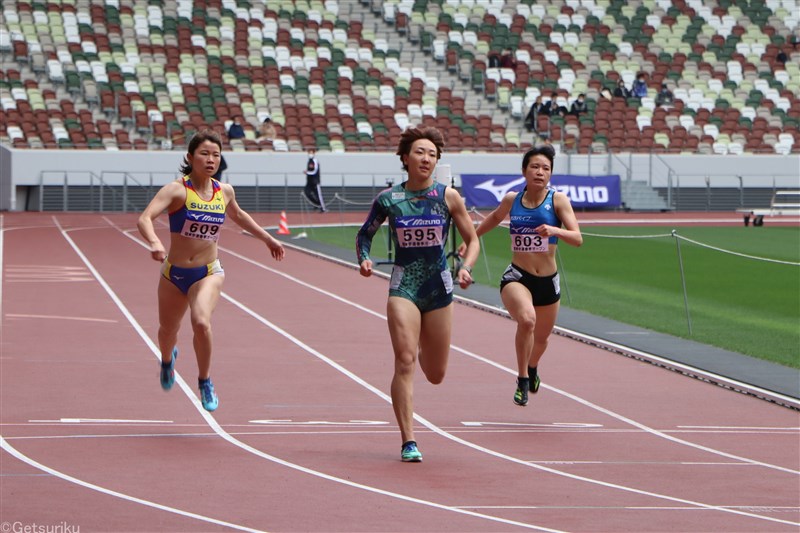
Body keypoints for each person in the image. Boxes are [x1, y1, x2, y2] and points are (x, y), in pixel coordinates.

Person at [137, 130, 285, 412]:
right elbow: (144, 218)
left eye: (216, 155)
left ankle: (204, 380)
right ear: (190, 157)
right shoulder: (177, 190)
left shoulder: (224, 191)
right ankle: (167, 361)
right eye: (204, 154)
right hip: (174, 274)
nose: (211, 159)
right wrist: (155, 243)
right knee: (167, 331)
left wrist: (268, 238)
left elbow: (239, 215)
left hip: (208, 272)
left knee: (201, 322)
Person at [355, 126, 480, 462]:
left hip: (439, 288)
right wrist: (364, 259)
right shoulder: (389, 199)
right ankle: (408, 440)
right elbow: (364, 235)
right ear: (405, 158)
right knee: (405, 361)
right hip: (404, 285)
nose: (426, 158)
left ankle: (422, 340)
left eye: (432, 155)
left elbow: (474, 239)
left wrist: (466, 266)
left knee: (436, 374)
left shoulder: (448, 197)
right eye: (420, 152)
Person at [459, 145, 582, 407]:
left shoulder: (558, 201)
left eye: (546, 168)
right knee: (527, 320)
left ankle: (533, 366)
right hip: (518, 276)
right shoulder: (512, 199)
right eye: (535, 167)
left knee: (542, 338)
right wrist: (472, 238)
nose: (540, 172)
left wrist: (554, 230)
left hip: (548, 281)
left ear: (550, 174)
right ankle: (522, 379)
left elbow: (577, 238)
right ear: (524, 170)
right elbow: (493, 218)